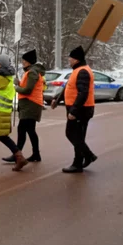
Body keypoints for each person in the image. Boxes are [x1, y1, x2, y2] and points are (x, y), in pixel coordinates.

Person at [51, 45, 97, 173]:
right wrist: (57, 98)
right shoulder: (77, 70)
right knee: (78, 136)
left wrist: (74, 111)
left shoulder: (82, 72)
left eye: (70, 58)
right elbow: (69, 88)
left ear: (76, 59)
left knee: (72, 134)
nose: (69, 60)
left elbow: (83, 93)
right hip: (78, 109)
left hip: (81, 110)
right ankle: (79, 161)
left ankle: (87, 156)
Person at [3, 48, 45, 163]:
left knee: (23, 129)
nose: (22, 63)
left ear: (29, 62)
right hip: (30, 104)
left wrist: (17, 88)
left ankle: (17, 154)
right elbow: (27, 87)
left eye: (24, 61)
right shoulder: (31, 72)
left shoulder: (32, 72)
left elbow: (28, 90)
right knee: (30, 130)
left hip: (31, 105)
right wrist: (19, 83)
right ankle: (34, 154)